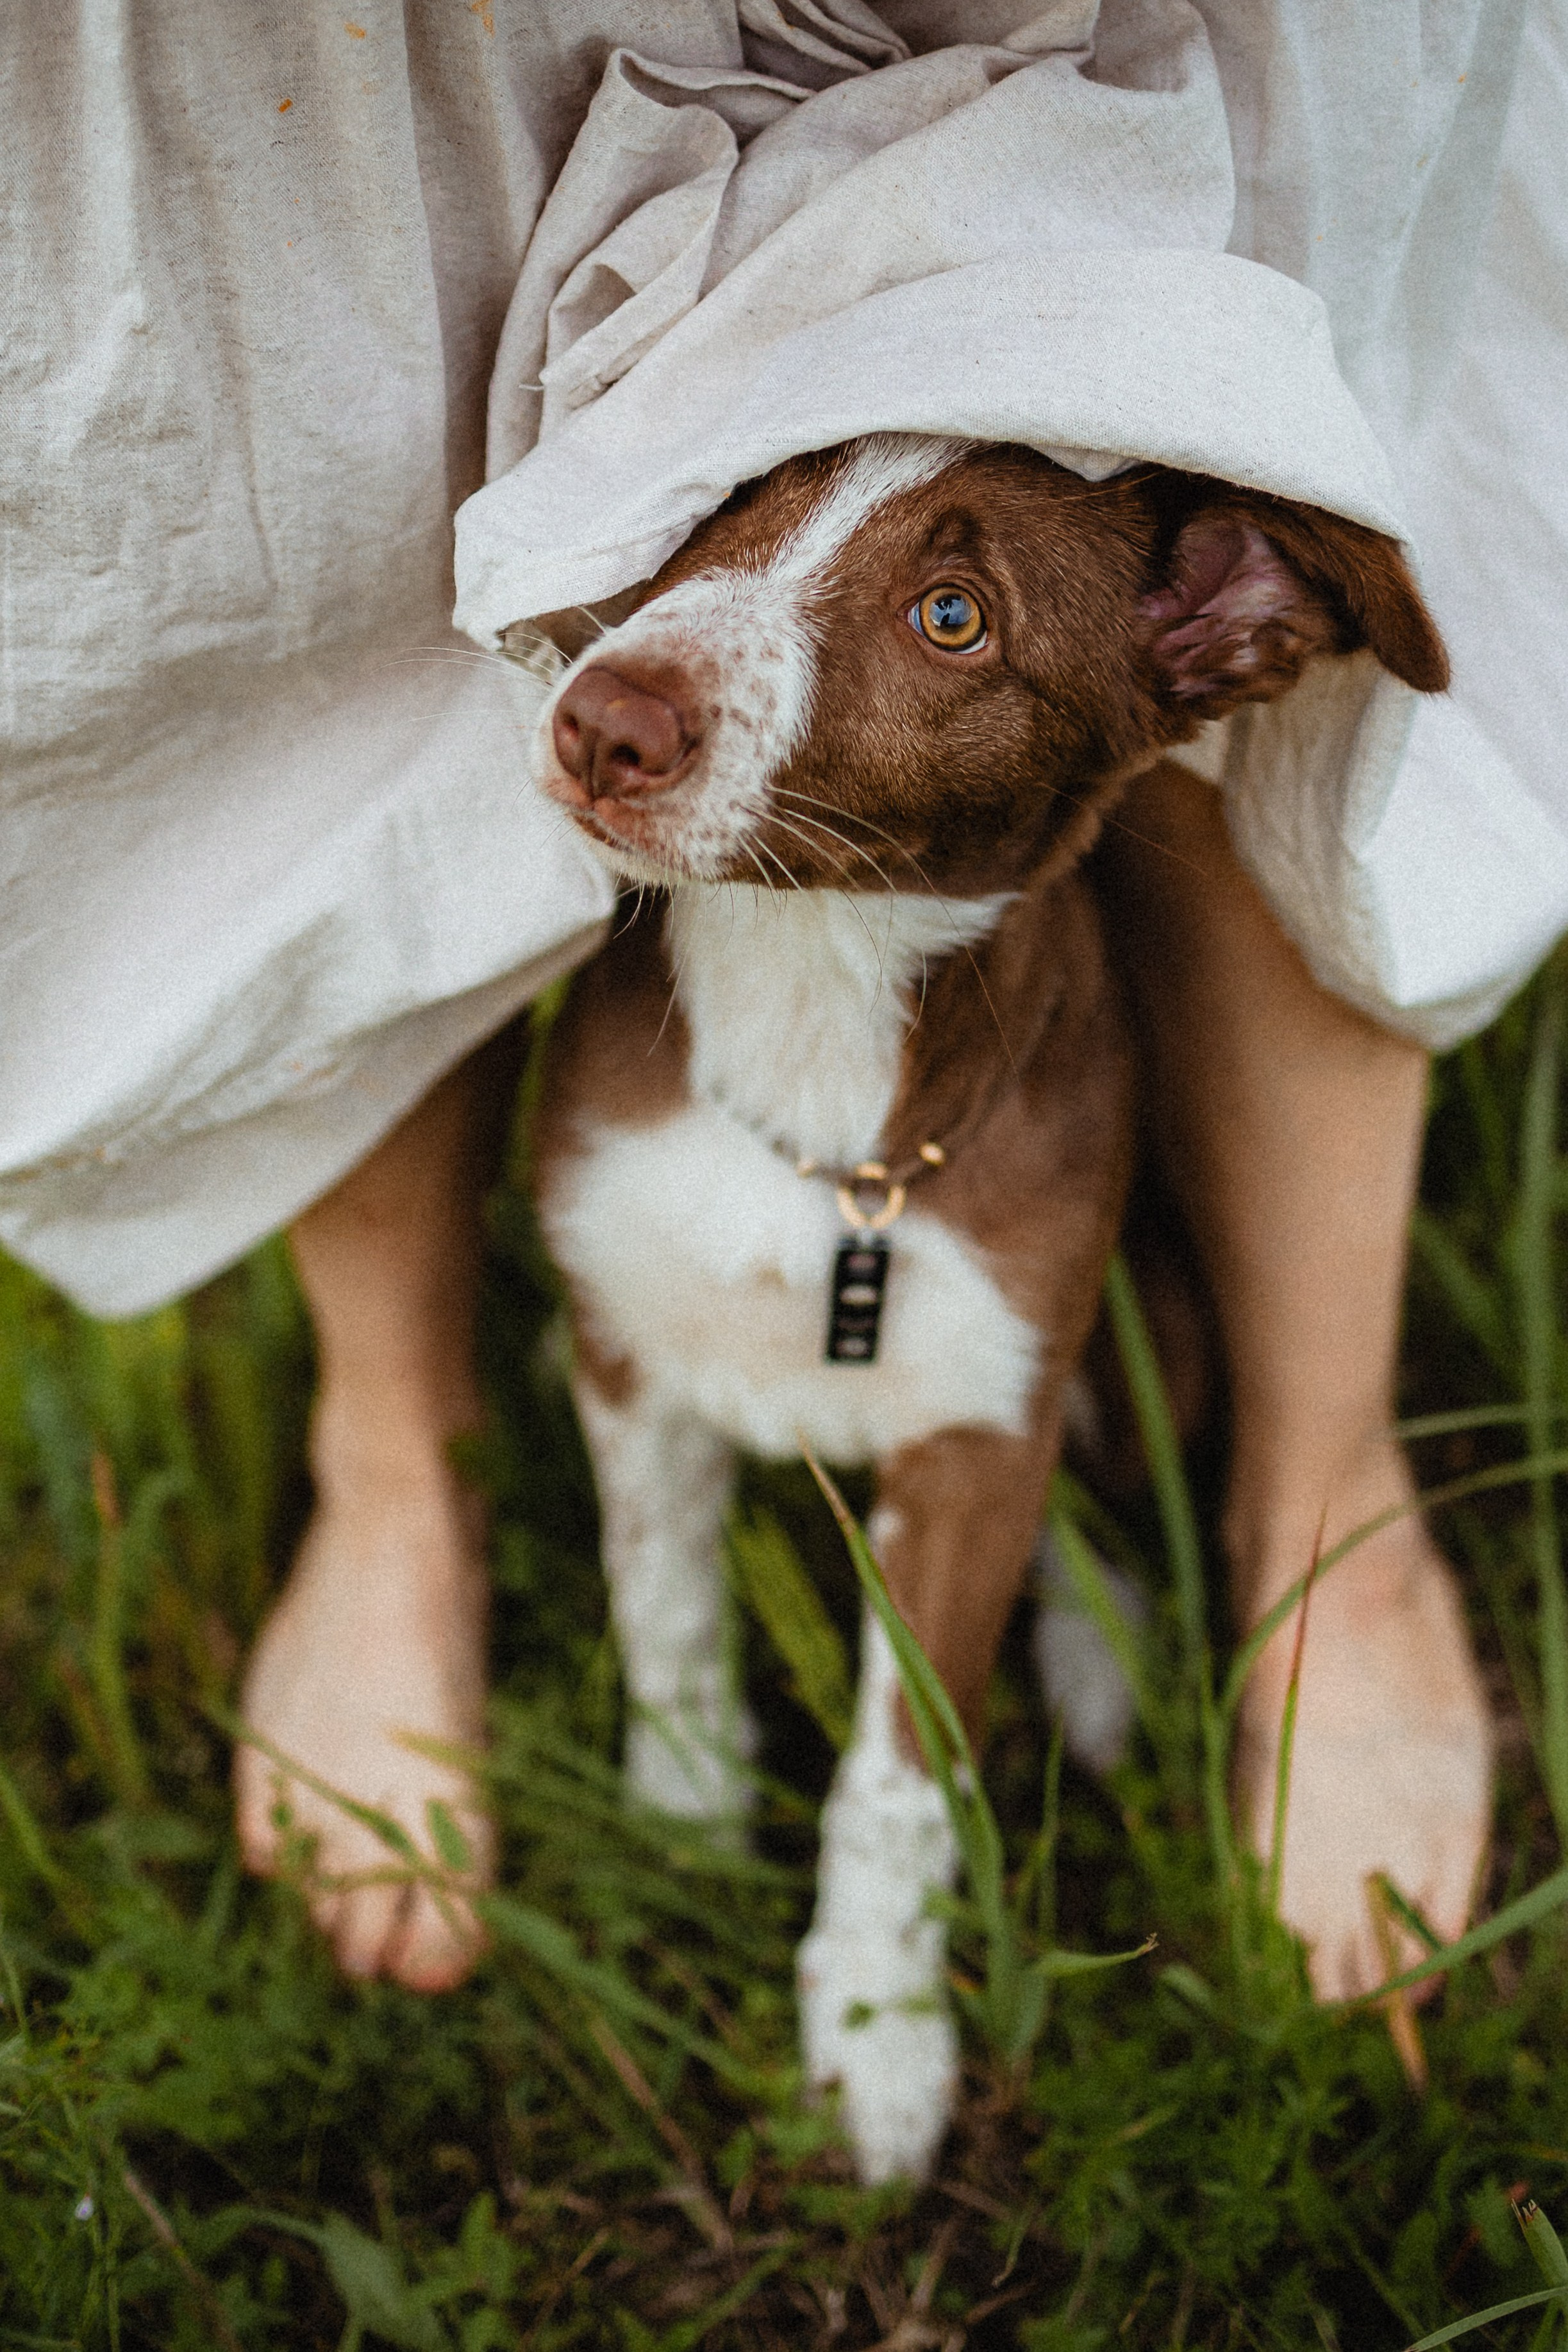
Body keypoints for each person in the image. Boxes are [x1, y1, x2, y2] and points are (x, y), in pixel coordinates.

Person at [4, 0, 1562, 1996]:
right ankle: (393, 1469)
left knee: (1289, 165)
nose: (669, 667)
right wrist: (675, 1751)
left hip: (969, 1120)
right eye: (765, 478)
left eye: (948, 613)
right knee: (363, 287)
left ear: (1214, 638)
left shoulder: (1164, 652)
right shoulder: (622, 1069)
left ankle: (1309, 1493)